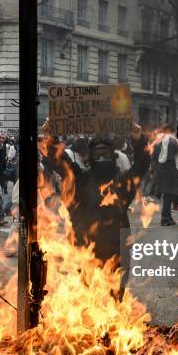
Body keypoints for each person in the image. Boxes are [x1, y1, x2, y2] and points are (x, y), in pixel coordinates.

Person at [44, 123, 150, 298]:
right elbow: (60, 162)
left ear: (113, 156)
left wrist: (137, 137)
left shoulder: (123, 184)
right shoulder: (80, 180)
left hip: (117, 251)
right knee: (89, 302)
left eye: (105, 154)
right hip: (86, 251)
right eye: (98, 154)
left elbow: (142, 164)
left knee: (115, 304)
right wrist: (51, 138)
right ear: (91, 157)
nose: (102, 158)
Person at [152, 127, 178, 226]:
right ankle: (165, 218)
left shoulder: (157, 142)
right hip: (171, 170)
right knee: (168, 194)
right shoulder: (173, 141)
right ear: (170, 131)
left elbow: (153, 157)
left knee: (167, 194)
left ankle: (168, 217)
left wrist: (154, 170)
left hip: (160, 170)